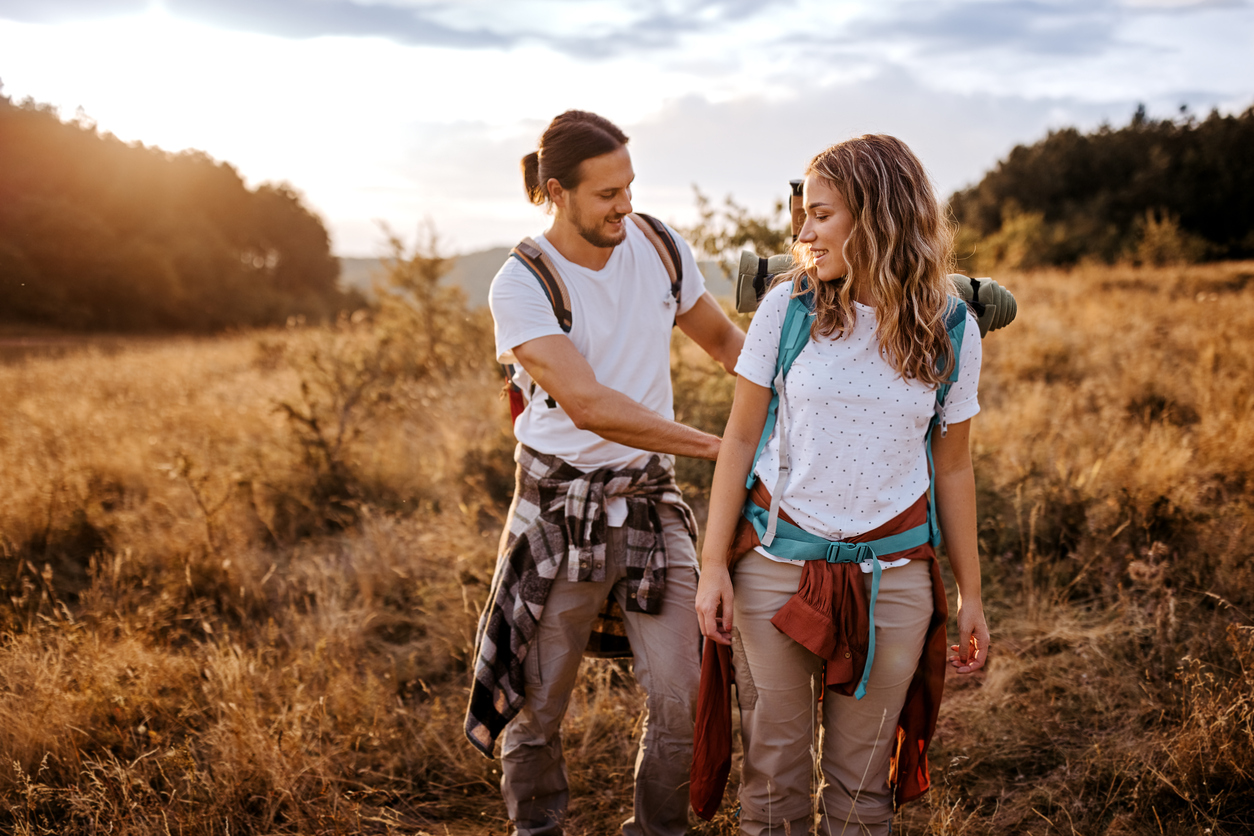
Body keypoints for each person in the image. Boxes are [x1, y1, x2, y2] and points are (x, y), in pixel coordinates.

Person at [694, 134, 991, 836]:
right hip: (773, 569)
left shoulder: (950, 326)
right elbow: (740, 438)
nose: (802, 232)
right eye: (804, 214)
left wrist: (969, 592)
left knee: (863, 792)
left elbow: (953, 466)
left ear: (876, 215)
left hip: (893, 582)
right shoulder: (787, 308)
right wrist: (712, 564)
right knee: (773, 777)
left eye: (821, 214)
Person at [465, 109, 744, 836]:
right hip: (560, 509)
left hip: (651, 502)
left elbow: (725, 342)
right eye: (606, 195)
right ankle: (538, 829)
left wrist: (805, 399)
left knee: (685, 695)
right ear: (556, 191)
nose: (625, 205)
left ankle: (657, 831)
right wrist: (718, 447)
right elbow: (588, 405)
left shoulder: (657, 244)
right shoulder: (521, 283)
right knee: (536, 706)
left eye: (630, 186)